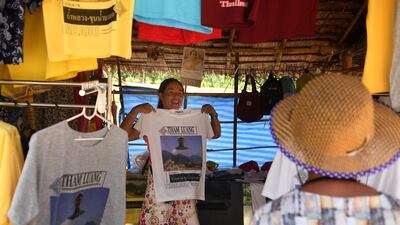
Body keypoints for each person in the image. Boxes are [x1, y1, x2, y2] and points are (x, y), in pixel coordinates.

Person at [250, 73, 400, 225]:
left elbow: (274, 193)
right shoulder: (392, 215)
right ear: (365, 143)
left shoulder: (272, 217)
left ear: (301, 145)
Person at [120, 78, 221, 225]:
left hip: (185, 185)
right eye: (171, 92)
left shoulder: (193, 118)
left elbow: (215, 134)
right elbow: (123, 136)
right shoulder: (150, 117)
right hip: (159, 186)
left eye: (180, 93)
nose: (176, 97)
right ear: (160, 95)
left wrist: (213, 115)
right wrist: (135, 110)